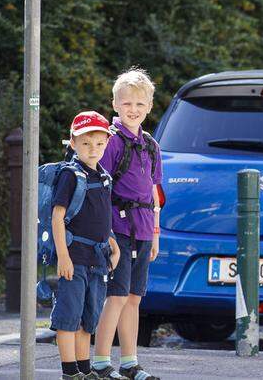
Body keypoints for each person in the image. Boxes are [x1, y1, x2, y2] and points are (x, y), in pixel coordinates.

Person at [92, 68, 162, 380]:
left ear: (149, 106)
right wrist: (106, 236)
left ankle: (130, 362)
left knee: (134, 298)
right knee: (117, 296)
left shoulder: (150, 145)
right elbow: (100, 189)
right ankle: (101, 361)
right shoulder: (111, 142)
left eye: (139, 104)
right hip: (117, 231)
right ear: (115, 104)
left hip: (145, 229)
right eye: (126, 103)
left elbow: (153, 193)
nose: (133, 109)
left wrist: (156, 234)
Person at [51, 111, 120, 380]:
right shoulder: (71, 174)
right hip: (75, 256)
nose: (94, 149)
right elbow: (58, 217)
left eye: (100, 144)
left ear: (107, 143)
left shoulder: (103, 176)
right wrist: (63, 257)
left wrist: (112, 242)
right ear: (73, 143)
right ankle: (70, 373)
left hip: (98, 258)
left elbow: (101, 216)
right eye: (86, 143)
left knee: (88, 318)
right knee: (69, 316)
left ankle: (84, 368)